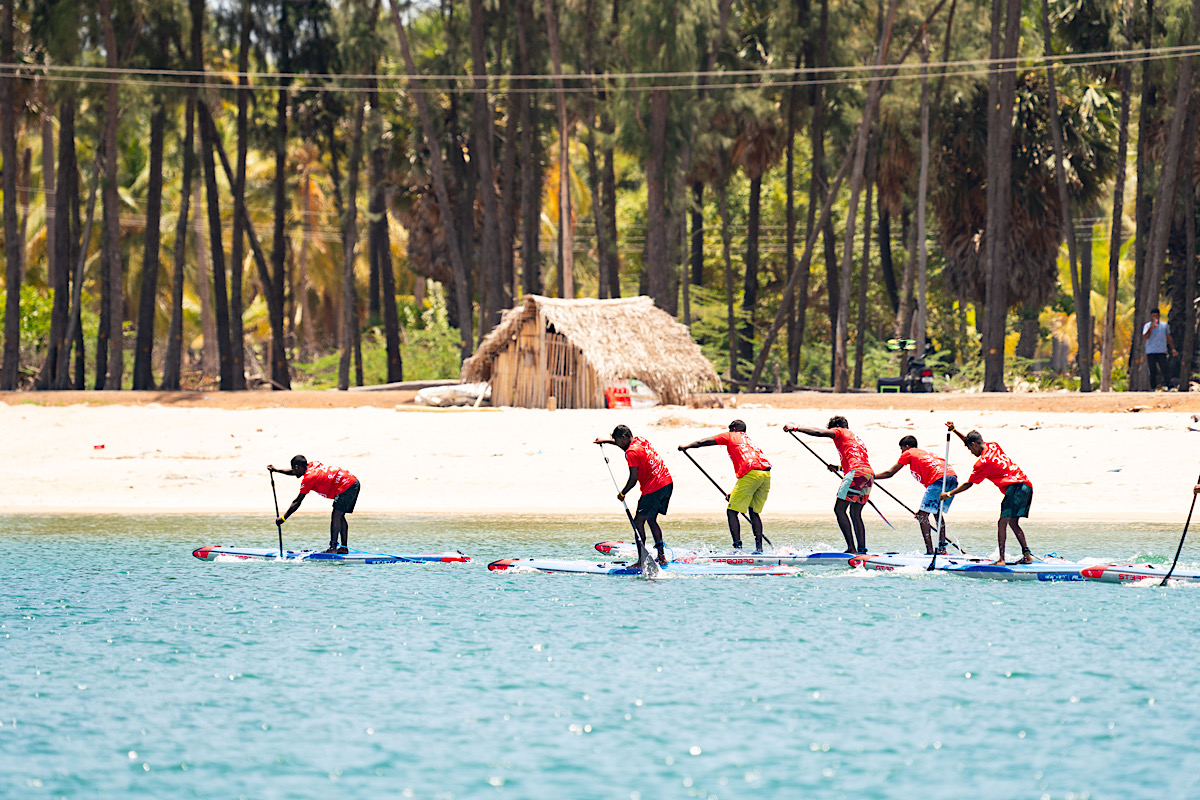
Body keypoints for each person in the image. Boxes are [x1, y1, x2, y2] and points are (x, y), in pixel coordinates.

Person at [939, 423, 1034, 565]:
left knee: (1002, 523)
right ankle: (1027, 555)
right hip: (1026, 485)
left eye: (970, 449)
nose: (971, 453)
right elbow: (969, 440)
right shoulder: (993, 445)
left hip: (1015, 488)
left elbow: (968, 484)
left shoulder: (982, 463)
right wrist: (954, 431)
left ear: (974, 445)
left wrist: (949, 494)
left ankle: (1001, 559)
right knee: (1013, 523)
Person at [784, 417, 874, 554]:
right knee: (855, 513)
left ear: (836, 426)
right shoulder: (855, 438)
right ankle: (862, 550)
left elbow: (819, 433)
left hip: (856, 473)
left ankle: (851, 549)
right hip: (868, 473)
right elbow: (855, 459)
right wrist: (838, 468)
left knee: (839, 510)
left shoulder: (840, 431)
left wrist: (796, 428)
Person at [678, 420, 772, 552]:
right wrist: (734, 494)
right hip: (765, 475)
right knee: (754, 513)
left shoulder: (731, 435)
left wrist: (687, 446)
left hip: (751, 474)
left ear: (733, 429)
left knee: (731, 512)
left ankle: (737, 549)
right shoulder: (750, 441)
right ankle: (760, 548)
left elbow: (704, 442)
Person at [594, 425, 672, 566]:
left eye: (617, 440)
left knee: (638, 523)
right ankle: (661, 557)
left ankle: (641, 561)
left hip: (653, 488)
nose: (617, 443)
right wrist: (605, 441)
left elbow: (633, 479)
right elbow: (624, 445)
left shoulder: (631, 453)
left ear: (623, 438)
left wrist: (623, 493)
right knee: (651, 519)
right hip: (666, 483)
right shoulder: (640, 440)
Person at [874, 435, 958, 555]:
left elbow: (890, 473)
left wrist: (871, 478)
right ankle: (942, 549)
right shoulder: (925, 453)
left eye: (901, 449)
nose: (901, 452)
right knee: (937, 513)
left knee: (923, 516)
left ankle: (930, 551)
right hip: (952, 478)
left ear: (906, 447)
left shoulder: (909, 452)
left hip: (939, 479)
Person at [268, 455, 361, 554]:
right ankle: (343, 548)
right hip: (353, 482)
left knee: (336, 515)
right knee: (340, 516)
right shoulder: (311, 465)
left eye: (294, 469)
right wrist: (277, 470)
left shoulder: (309, 478)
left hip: (346, 485)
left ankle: (333, 548)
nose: (294, 473)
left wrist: (283, 518)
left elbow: (297, 502)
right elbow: (296, 471)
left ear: (297, 467)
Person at [1142, 307, 1178, 390]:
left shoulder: (1164, 325)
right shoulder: (1147, 325)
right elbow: (1146, 336)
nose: (1155, 317)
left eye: (1156, 315)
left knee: (1164, 368)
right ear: (1151, 316)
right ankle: (1153, 387)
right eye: (1153, 316)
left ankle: (1169, 386)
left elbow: (1168, 337)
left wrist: (1173, 349)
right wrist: (1151, 328)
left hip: (1161, 350)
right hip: (1151, 351)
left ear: (1159, 316)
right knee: (1152, 370)